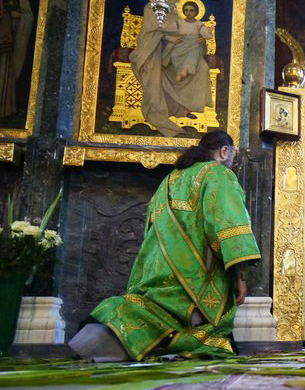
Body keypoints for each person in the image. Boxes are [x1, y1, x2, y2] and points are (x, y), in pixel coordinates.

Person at [69, 131, 261, 361]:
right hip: (195, 275)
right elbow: (229, 224)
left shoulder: (170, 180)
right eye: (233, 156)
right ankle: (117, 340)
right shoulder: (218, 174)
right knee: (199, 326)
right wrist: (240, 274)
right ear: (224, 151)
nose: (233, 162)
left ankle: (107, 334)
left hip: (158, 269)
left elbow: (152, 228)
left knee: (157, 310)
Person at [130, 0, 213, 137]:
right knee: (154, 69)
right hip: (152, 51)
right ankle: (158, 114)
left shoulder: (176, 10)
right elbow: (150, 33)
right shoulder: (152, 8)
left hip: (172, 53)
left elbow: (184, 31)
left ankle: (182, 108)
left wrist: (200, 40)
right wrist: (169, 38)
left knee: (202, 67)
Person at [164, 1, 214, 83]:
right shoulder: (179, 23)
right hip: (182, 43)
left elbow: (206, 34)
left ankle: (186, 69)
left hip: (194, 43)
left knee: (193, 53)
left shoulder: (198, 24)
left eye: (191, 10)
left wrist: (209, 32)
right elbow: (168, 29)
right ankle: (179, 71)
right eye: (186, 10)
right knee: (174, 54)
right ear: (183, 11)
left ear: (196, 12)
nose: (188, 13)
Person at [0, 0, 34, 119]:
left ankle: (4, 109)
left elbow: (28, 16)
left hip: (8, 41)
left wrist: (13, 16)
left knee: (5, 74)